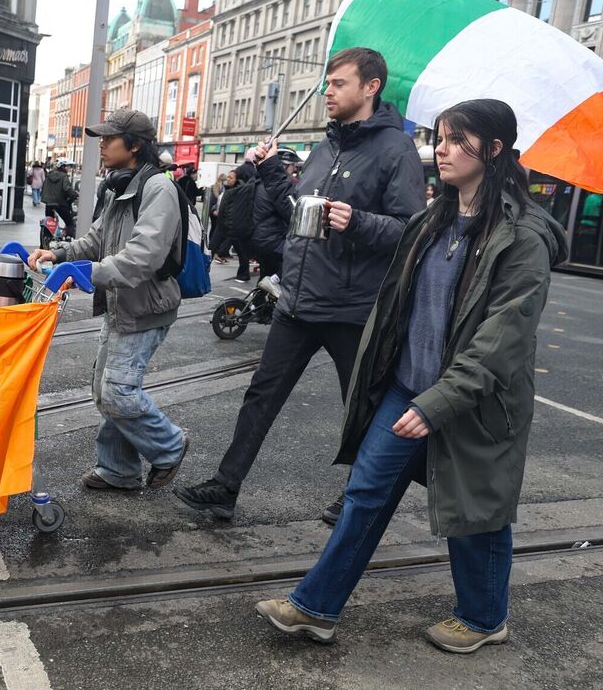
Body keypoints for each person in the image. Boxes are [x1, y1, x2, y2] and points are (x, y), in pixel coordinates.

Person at [254, 98, 567, 654]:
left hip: (474, 401)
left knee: (476, 513)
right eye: (440, 138)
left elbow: (503, 340)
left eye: (456, 140)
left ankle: (484, 615)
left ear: (494, 150)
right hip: (407, 387)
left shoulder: (522, 239)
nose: (440, 150)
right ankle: (314, 607)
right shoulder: (433, 219)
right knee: (365, 494)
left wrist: (439, 402)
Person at [174, 47, 425, 522]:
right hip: (298, 299)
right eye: (327, 84)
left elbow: (410, 229)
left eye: (338, 84)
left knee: (362, 409)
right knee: (260, 395)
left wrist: (358, 222)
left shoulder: (396, 150)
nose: (327, 92)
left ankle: (359, 498)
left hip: (352, 308)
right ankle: (226, 487)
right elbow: (299, 211)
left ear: (371, 87)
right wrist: (268, 169)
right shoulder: (325, 147)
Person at [26, 109, 188, 491]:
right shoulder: (120, 186)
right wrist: (62, 254)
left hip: (145, 306)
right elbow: (96, 239)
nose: (101, 146)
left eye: (109, 139)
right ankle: (118, 468)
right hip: (121, 303)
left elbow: (142, 258)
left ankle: (170, 445)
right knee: (105, 387)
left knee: (117, 390)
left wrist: (87, 273)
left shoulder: (157, 189)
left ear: (133, 145)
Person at [252, 147, 293, 280]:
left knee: (265, 278)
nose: (294, 169)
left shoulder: (261, 183)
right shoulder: (274, 189)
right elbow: (290, 214)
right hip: (272, 242)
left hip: (260, 239)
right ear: (284, 166)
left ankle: (258, 300)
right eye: (292, 165)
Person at [219, 164, 256, 281]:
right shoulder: (229, 190)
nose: (228, 179)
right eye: (228, 177)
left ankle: (243, 274)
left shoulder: (241, 192)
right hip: (230, 227)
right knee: (241, 252)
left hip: (237, 227)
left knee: (242, 253)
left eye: (231, 177)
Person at [42, 159, 78, 238]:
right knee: (69, 223)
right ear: (63, 167)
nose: (69, 168)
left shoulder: (49, 175)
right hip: (60, 203)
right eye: (68, 166)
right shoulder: (64, 177)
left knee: (48, 223)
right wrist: (74, 195)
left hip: (49, 203)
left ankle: (45, 240)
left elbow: (44, 187)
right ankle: (69, 239)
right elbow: (67, 189)